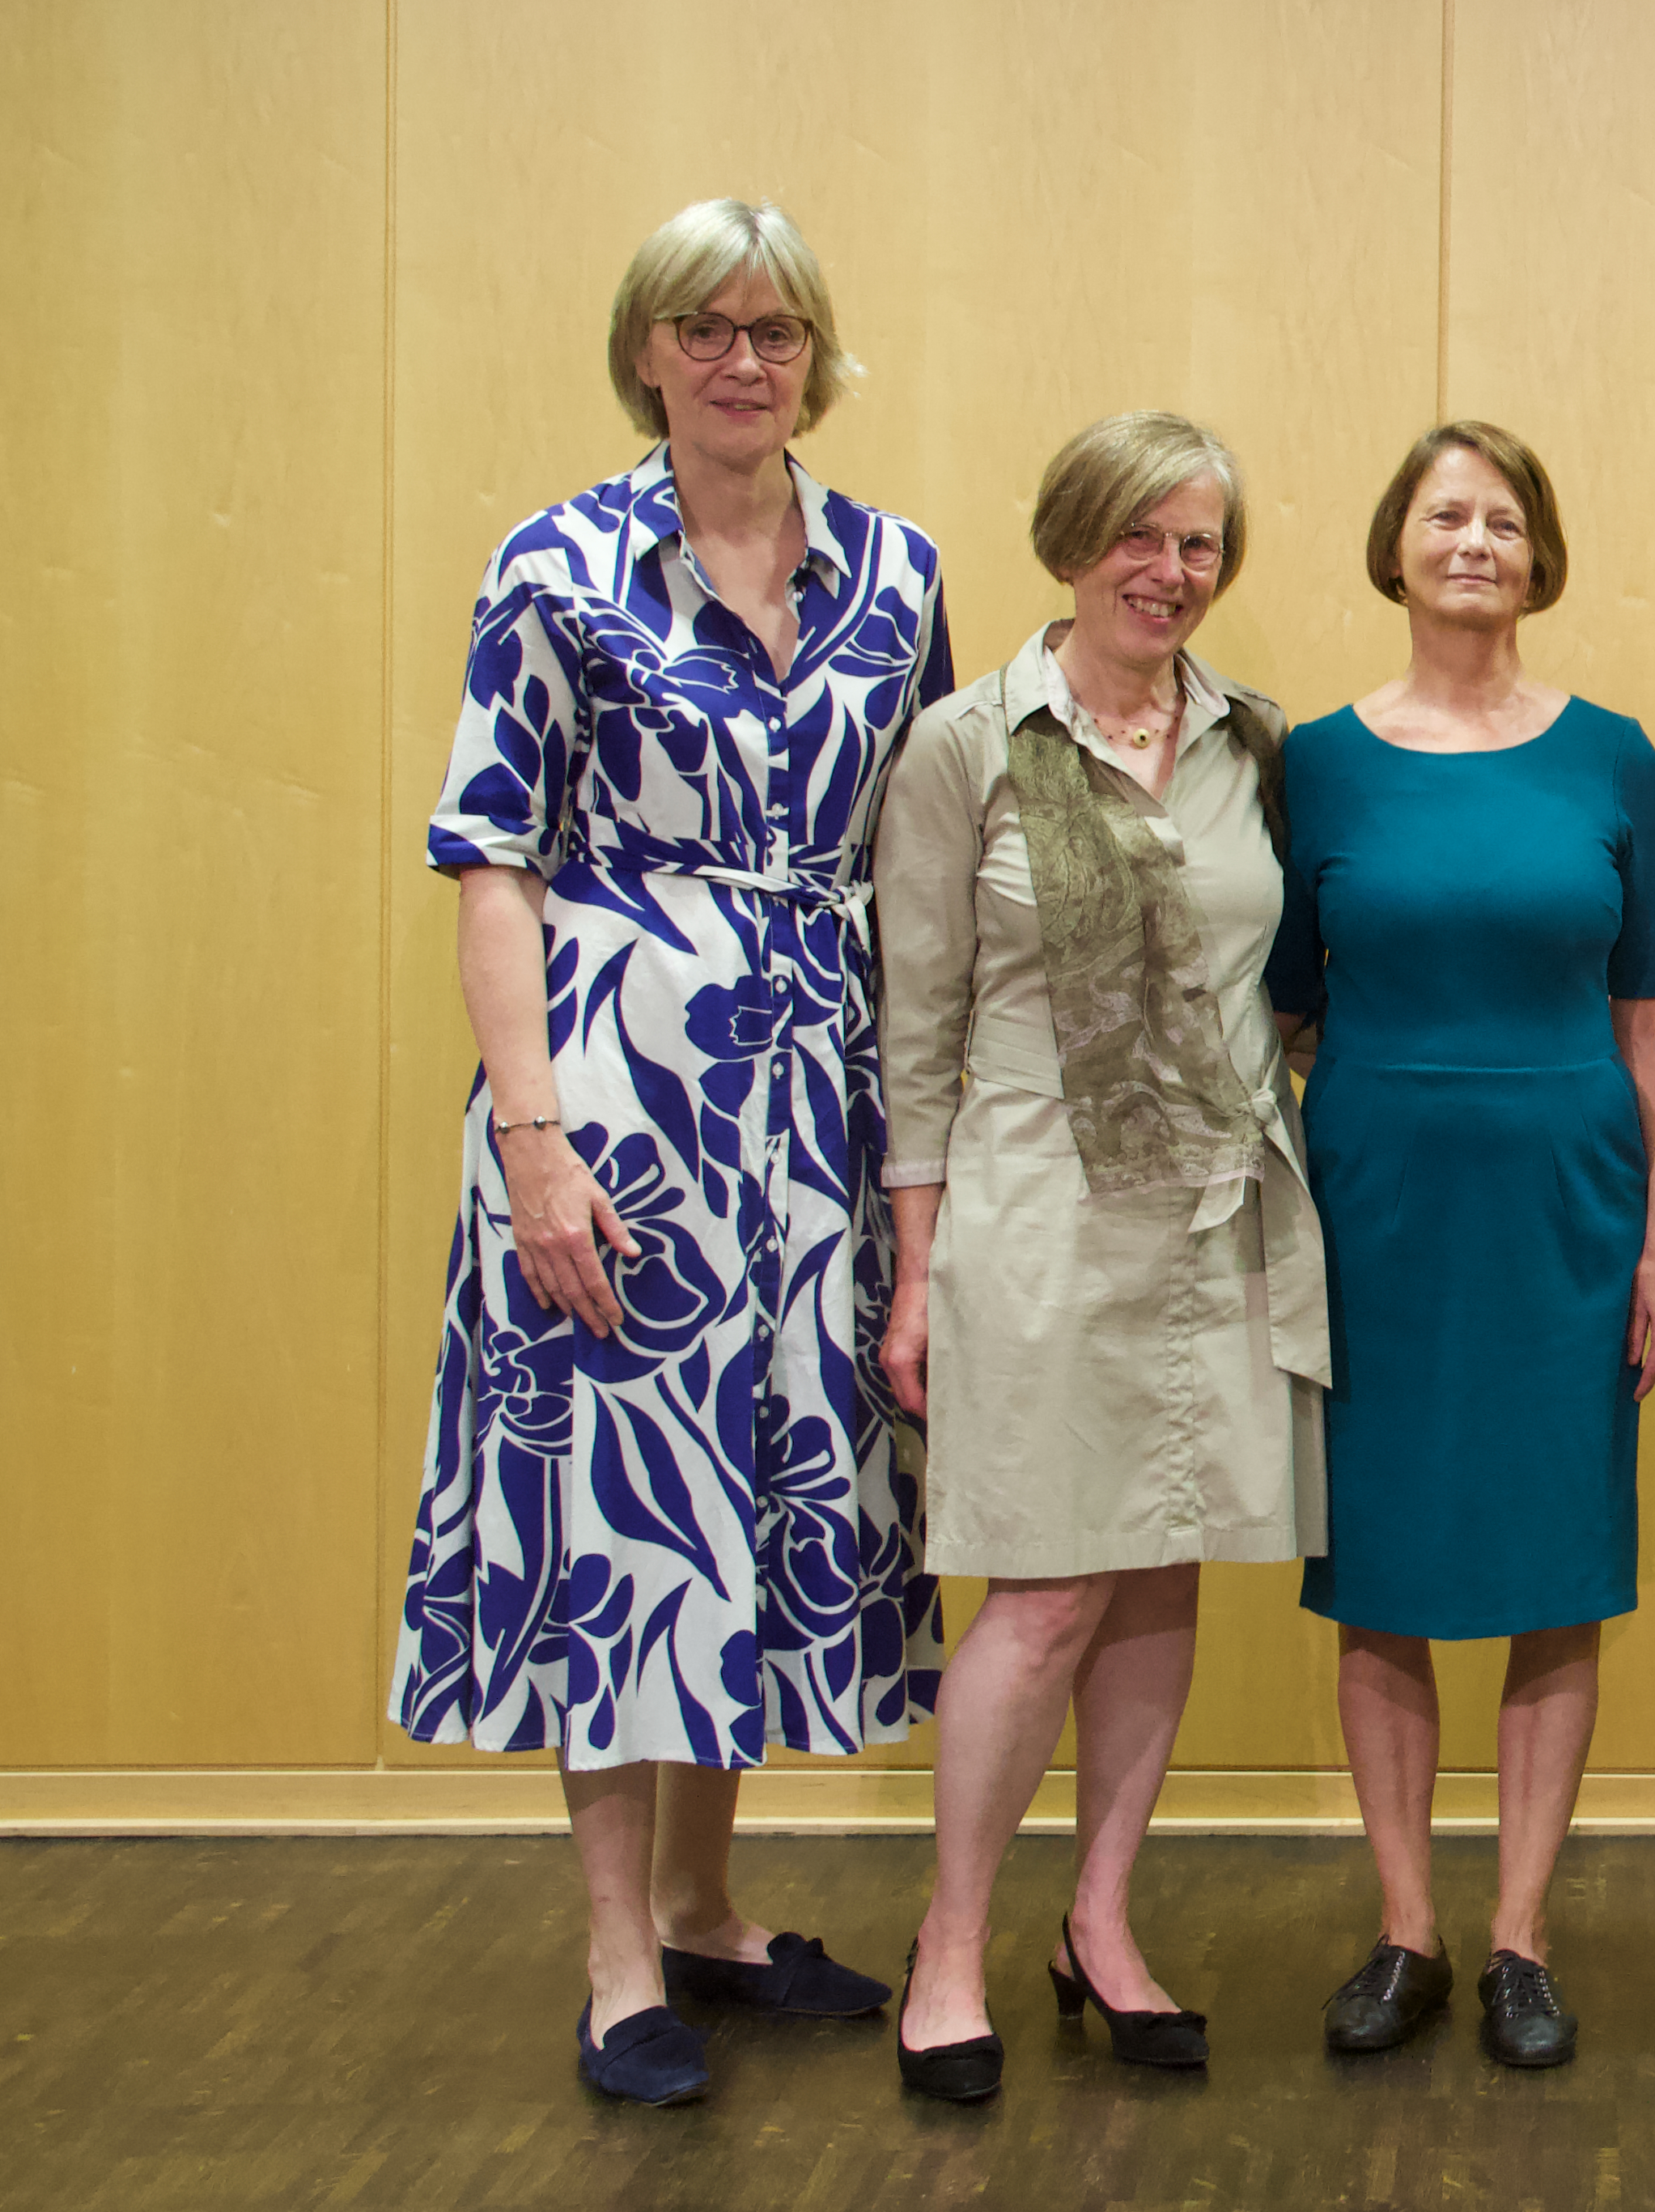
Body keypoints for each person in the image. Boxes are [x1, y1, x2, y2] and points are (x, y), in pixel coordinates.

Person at [389, 198, 950, 2104]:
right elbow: (491, 862)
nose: (743, 357)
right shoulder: (556, 565)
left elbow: (925, 847)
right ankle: (619, 1952)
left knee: (759, 1501)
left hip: (824, 1106)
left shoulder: (896, 570)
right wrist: (532, 1138)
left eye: (778, 328)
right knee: (620, 1519)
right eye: (705, 326)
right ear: (643, 349)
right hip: (615, 1098)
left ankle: (710, 1905)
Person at [873, 411, 1326, 2097]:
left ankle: (1104, 1920)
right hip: (1031, 1215)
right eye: (1138, 535)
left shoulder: (1249, 742)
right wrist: (915, 1272)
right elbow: (915, 1031)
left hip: (1217, 1220)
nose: (1169, 570)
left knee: (1155, 1567)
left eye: (1200, 542)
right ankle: (949, 1940)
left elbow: (1281, 976)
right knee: (1042, 1587)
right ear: (1071, 541)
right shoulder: (962, 745)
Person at [1267, 420, 1655, 2071]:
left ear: (1539, 554)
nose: (1472, 539)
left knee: (1549, 1569)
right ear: (1395, 543)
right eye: (1444, 512)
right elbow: (1281, 998)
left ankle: (1517, 1935)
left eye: (1502, 517)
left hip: (1567, 1200)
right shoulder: (1311, 760)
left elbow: (1652, 1002)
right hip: (1373, 1196)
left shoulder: (1609, 756)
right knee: (1375, 1573)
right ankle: (1405, 1927)